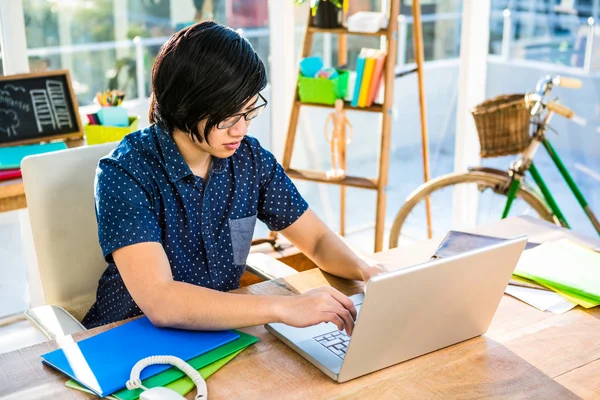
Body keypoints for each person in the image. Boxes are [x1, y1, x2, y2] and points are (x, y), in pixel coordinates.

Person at [82, 21, 384, 335]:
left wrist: (366, 269)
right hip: (126, 337)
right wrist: (284, 306)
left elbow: (318, 240)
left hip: (218, 333)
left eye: (249, 111)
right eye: (228, 117)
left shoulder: (249, 160)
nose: (241, 129)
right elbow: (161, 300)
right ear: (184, 105)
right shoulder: (126, 172)